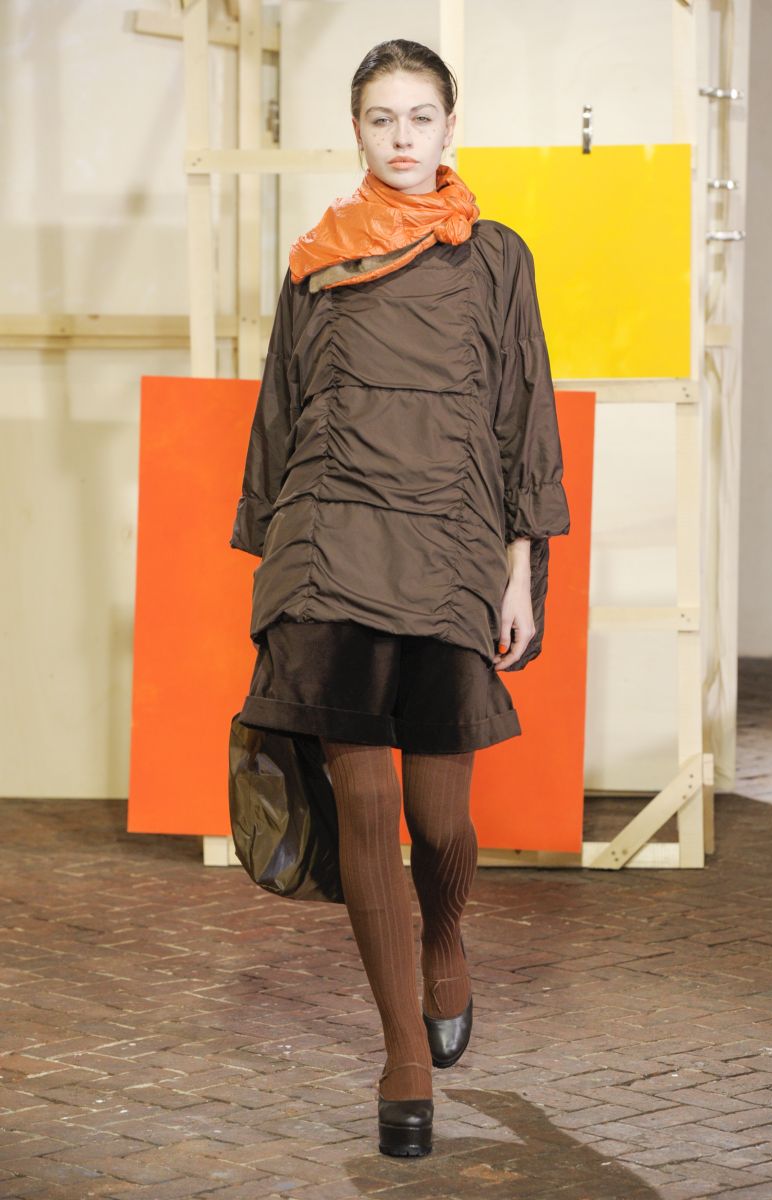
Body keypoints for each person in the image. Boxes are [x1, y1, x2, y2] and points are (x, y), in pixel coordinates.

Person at [230, 38, 570, 1158]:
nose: (402, 136)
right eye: (382, 118)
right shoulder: (318, 260)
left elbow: (522, 409)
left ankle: (444, 942)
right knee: (366, 808)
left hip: (448, 544)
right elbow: (283, 406)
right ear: (358, 131)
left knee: (439, 819)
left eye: (420, 116)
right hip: (330, 542)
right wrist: (271, 557)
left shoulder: (495, 256)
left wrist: (519, 569)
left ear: (449, 128)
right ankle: (401, 1062)